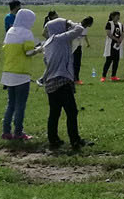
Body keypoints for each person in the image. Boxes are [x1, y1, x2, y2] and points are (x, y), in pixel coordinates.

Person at [39, 12, 94, 151]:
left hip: (50, 83)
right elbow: (79, 29)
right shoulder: (60, 39)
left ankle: (53, 139)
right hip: (62, 81)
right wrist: (69, 22)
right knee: (71, 112)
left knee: (54, 113)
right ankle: (75, 140)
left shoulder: (48, 43)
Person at [0, 7, 39, 141]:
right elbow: (28, 52)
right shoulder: (27, 33)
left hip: (8, 72)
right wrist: (39, 49)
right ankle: (18, 132)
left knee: (11, 104)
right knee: (20, 105)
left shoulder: (10, 31)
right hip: (21, 73)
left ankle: (6, 131)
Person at [100, 11, 123, 80]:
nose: (118, 17)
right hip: (111, 45)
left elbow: (122, 33)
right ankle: (103, 76)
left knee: (116, 60)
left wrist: (120, 40)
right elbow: (109, 34)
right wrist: (116, 39)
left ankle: (113, 76)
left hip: (117, 45)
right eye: (117, 16)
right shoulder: (109, 23)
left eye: (119, 15)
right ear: (112, 16)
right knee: (108, 61)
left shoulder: (120, 24)